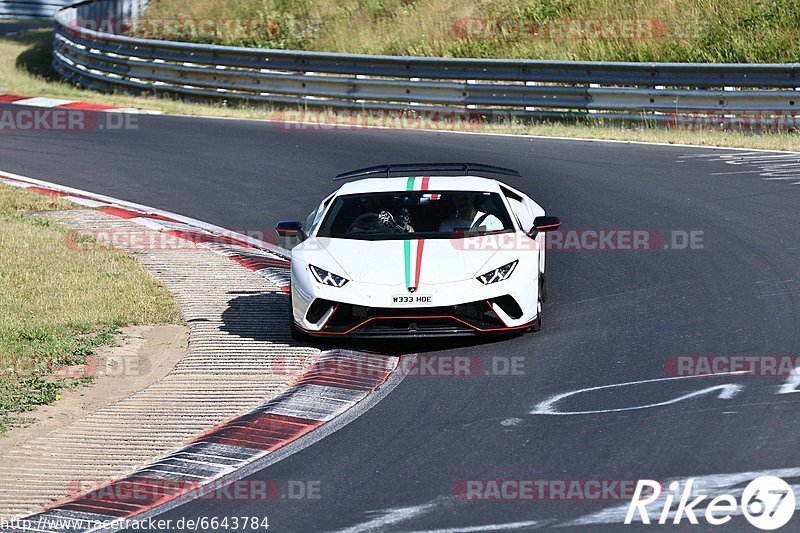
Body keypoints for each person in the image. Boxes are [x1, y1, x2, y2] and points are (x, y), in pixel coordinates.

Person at [438, 193, 503, 232]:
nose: (462, 201)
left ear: (472, 198)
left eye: (465, 197)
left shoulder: (491, 221)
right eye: (458, 198)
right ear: (454, 201)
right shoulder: (447, 225)